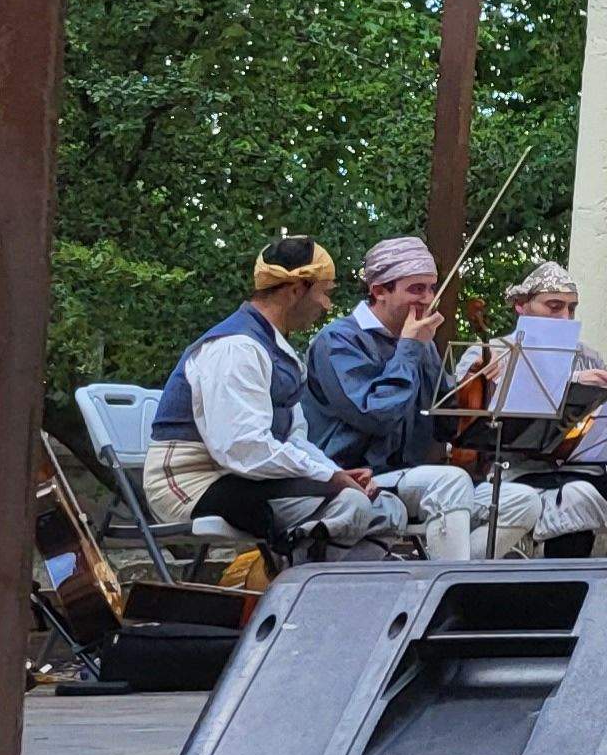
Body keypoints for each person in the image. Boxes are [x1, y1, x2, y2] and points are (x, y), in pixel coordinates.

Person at [142, 237, 435, 561]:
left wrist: (332, 471)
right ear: (295, 290)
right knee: (351, 505)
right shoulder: (236, 348)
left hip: (242, 476)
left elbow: (294, 438)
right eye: (323, 292)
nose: (326, 305)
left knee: (386, 507)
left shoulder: (277, 351)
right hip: (194, 481)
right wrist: (329, 478)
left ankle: (318, 583)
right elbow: (242, 448)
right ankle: (296, 576)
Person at [445, 262, 607, 557]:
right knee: (580, 496)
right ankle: (559, 597)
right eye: (554, 307)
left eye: (571, 309)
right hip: (522, 474)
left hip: (588, 470)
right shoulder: (489, 353)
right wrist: (573, 383)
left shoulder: (589, 356)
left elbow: (601, 427)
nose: (565, 317)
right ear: (521, 307)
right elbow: (463, 420)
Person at [300, 234, 503, 560]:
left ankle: (440, 581)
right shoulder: (337, 341)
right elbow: (376, 416)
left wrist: (477, 389)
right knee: (450, 483)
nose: (427, 299)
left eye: (431, 288)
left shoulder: (419, 343)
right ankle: (451, 589)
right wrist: (409, 348)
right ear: (379, 290)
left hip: (407, 476)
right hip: (351, 476)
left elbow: (445, 424)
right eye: (416, 289)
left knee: (519, 500)